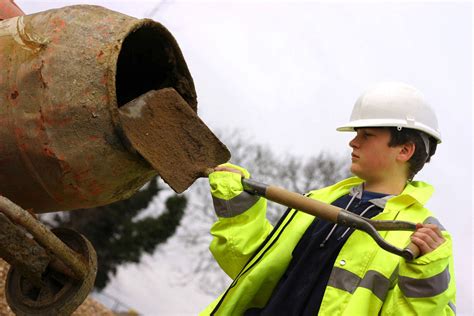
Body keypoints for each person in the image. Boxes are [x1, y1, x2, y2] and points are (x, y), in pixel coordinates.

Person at [200, 82, 456, 315]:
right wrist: (239, 204)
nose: (353, 142)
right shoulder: (319, 200)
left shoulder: (426, 238)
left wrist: (425, 276)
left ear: (404, 150)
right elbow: (251, 269)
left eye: (367, 135)